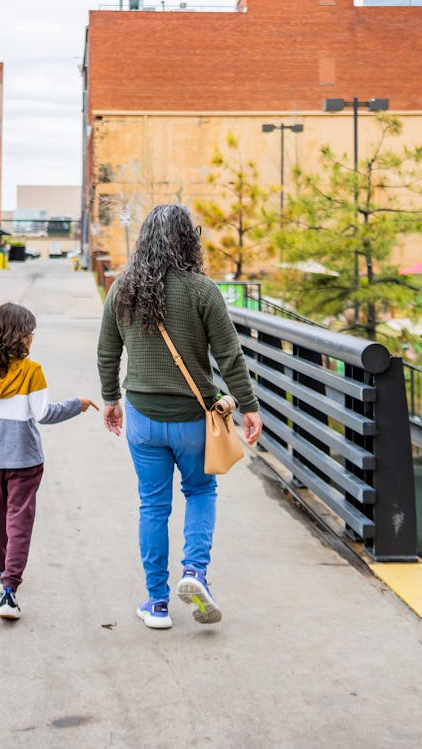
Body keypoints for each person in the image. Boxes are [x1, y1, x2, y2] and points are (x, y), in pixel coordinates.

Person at [98, 203, 262, 630]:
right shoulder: (202, 290)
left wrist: (111, 399)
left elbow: (107, 352)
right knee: (201, 492)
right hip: (193, 419)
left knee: (153, 506)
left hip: (142, 417)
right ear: (188, 239)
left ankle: (156, 604)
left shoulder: (122, 289)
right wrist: (249, 406)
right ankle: (194, 573)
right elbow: (229, 355)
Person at [0, 302, 97, 621]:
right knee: (19, 521)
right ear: (19, 337)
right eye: (30, 333)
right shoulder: (31, 371)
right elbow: (44, 414)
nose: (32, 339)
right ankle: (10, 589)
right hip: (25, 462)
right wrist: (76, 404)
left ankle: (0, 574)